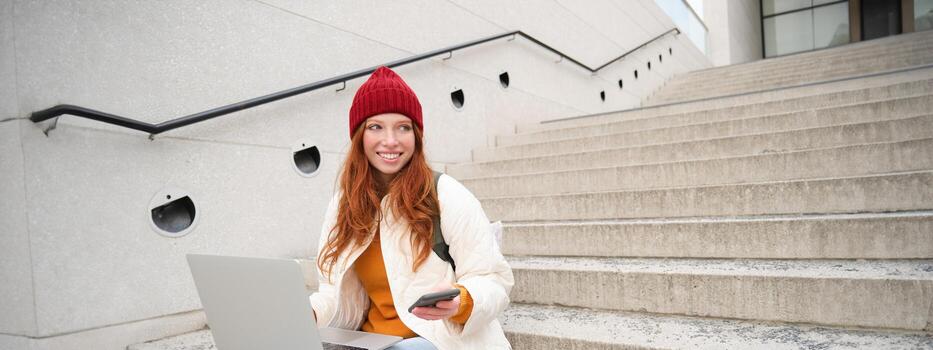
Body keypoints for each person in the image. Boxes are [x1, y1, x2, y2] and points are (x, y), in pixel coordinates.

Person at [309, 66, 514, 350]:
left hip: (438, 340)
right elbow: (335, 296)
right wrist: (311, 313)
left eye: (403, 127)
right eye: (375, 127)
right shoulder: (342, 206)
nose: (390, 140)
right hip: (372, 342)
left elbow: (493, 280)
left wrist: (462, 301)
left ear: (416, 135)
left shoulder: (446, 194)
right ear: (359, 136)